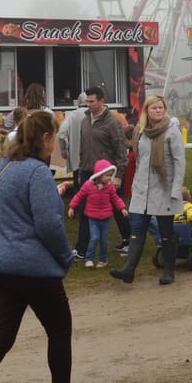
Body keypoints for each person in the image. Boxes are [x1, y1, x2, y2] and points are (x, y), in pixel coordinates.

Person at [0, 110, 76, 383]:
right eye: (55, 138)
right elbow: (48, 225)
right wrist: (65, 256)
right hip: (34, 268)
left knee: (0, 338)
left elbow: (14, 208)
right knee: (59, 332)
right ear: (45, 137)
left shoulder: (2, 167)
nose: (55, 144)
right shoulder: (38, 172)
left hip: (0, 264)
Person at [110, 94, 186, 285]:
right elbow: (139, 160)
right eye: (154, 108)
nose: (158, 110)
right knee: (137, 230)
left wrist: (176, 189)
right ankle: (129, 270)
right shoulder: (140, 131)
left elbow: (180, 162)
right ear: (147, 110)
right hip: (142, 189)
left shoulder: (172, 131)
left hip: (164, 189)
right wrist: (135, 185)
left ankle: (169, 271)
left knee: (166, 232)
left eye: (161, 107)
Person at [74, 86, 127, 260]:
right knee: (85, 210)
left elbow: (121, 150)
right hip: (87, 172)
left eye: (92, 101)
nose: (88, 104)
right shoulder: (85, 120)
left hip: (106, 174)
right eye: (87, 101)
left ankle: (129, 239)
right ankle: (81, 250)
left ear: (102, 101)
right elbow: (83, 148)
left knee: (117, 208)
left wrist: (118, 175)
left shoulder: (112, 123)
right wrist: (81, 170)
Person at [67, 159, 128, 267]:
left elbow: (116, 198)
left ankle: (103, 260)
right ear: (99, 175)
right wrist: (72, 207)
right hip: (93, 218)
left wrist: (122, 208)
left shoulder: (109, 187)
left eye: (111, 175)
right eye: (107, 175)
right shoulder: (88, 185)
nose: (110, 178)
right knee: (94, 238)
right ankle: (89, 258)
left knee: (104, 240)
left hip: (106, 218)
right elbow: (79, 195)